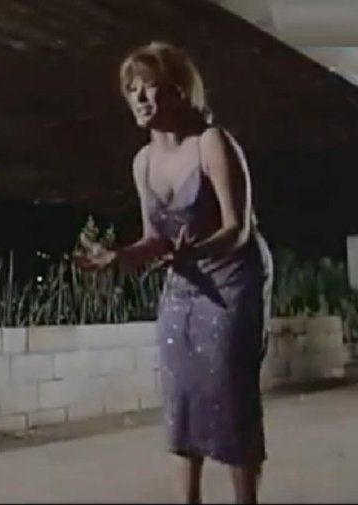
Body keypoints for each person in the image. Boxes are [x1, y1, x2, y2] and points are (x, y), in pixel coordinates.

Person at [76, 41, 273, 504]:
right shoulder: (143, 162)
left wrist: (195, 252)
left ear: (179, 91)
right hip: (183, 285)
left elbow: (237, 228)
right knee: (181, 396)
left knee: (230, 393)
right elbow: (154, 238)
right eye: (132, 90)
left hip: (232, 280)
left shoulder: (212, 143)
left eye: (150, 86)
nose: (140, 98)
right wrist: (118, 257)